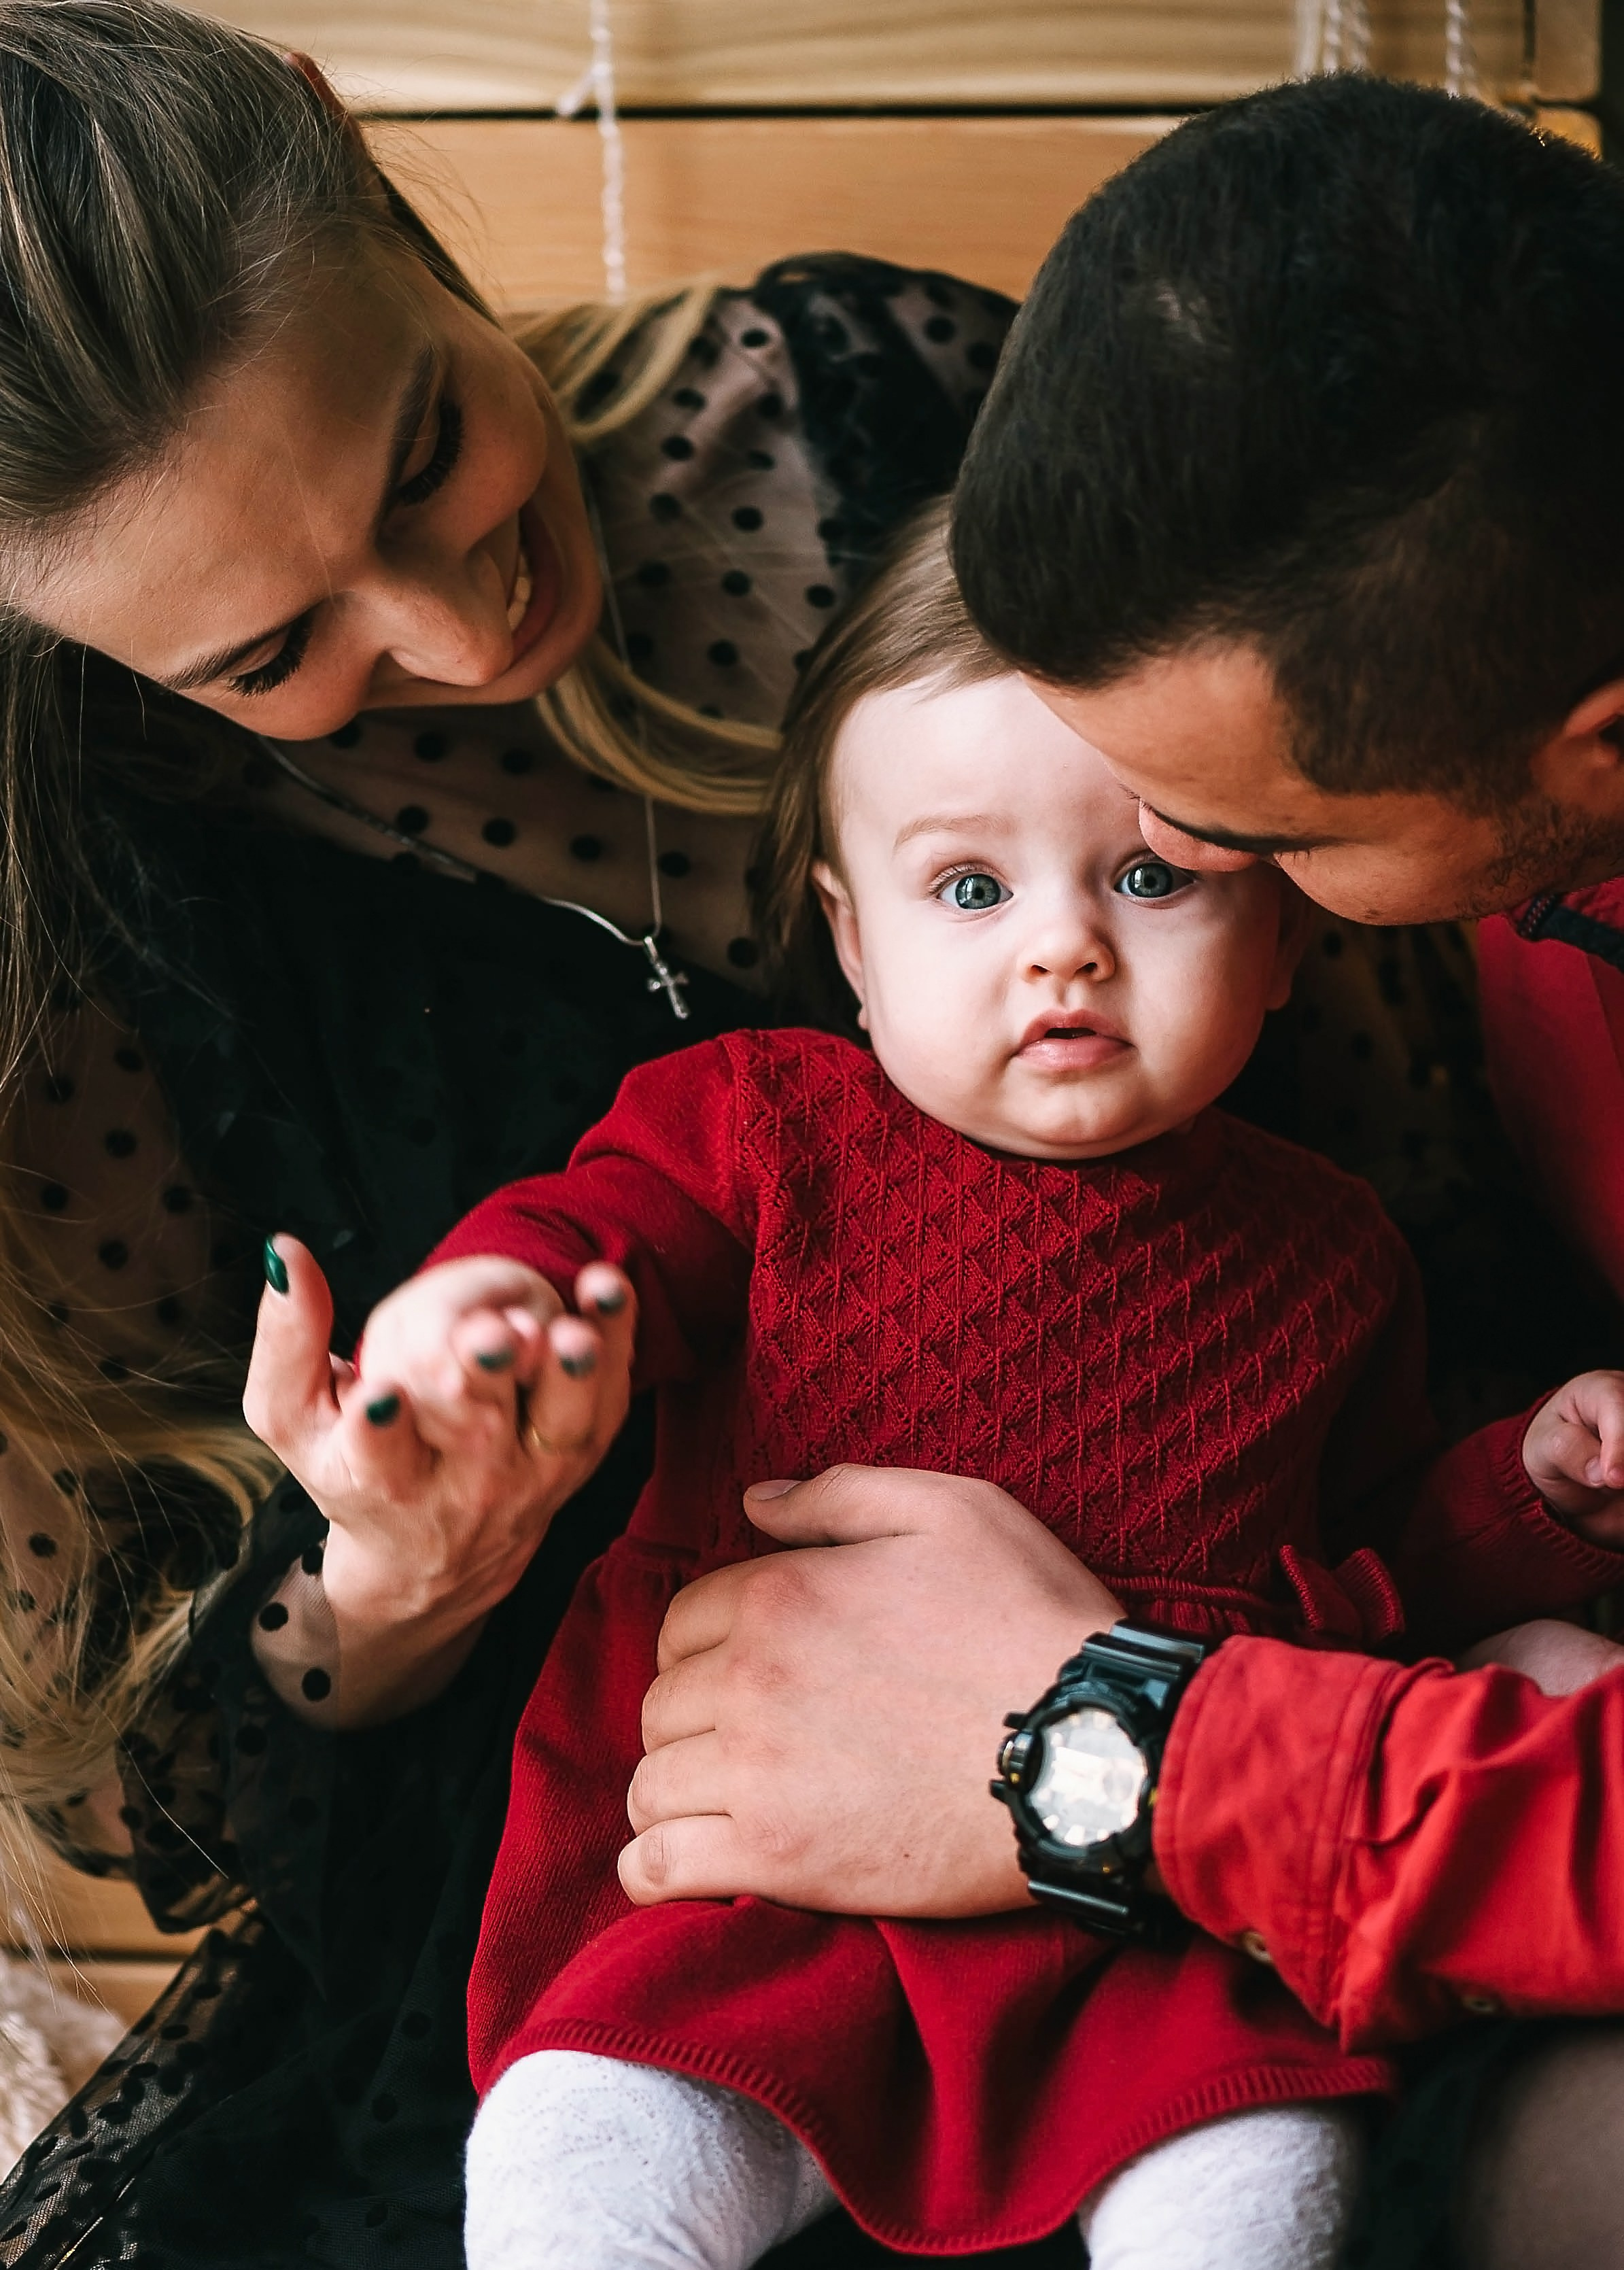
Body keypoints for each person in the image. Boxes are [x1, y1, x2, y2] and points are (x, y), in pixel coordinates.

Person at [0, 3, 1018, 2260]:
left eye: (424, 446)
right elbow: (209, 1781)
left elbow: (1379, 1107)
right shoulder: (98, 977)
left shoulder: (877, 422)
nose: (461, 622)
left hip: (1199, 1616)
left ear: (370, 187)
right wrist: (402, 1576)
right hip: (588, 1906)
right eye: (274, 654)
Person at [604, 75, 1624, 2270]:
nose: (1107, 926)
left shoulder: (1340, 1215)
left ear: (1589, 745)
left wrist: (1098, 1745)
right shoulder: (1549, 900)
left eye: (1247, 850)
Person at [353, 515, 1624, 2270]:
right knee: (583, 2144)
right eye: (971, 888)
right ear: (852, 940)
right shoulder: (767, 1124)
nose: (1065, 951)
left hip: (1152, 1918)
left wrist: (1533, 1497)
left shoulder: (1335, 1251)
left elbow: (1369, 1582)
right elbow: (607, 1239)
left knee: (1265, 2176)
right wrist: (485, 1307)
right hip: (763, 1862)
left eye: (1154, 879)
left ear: (1283, 941)